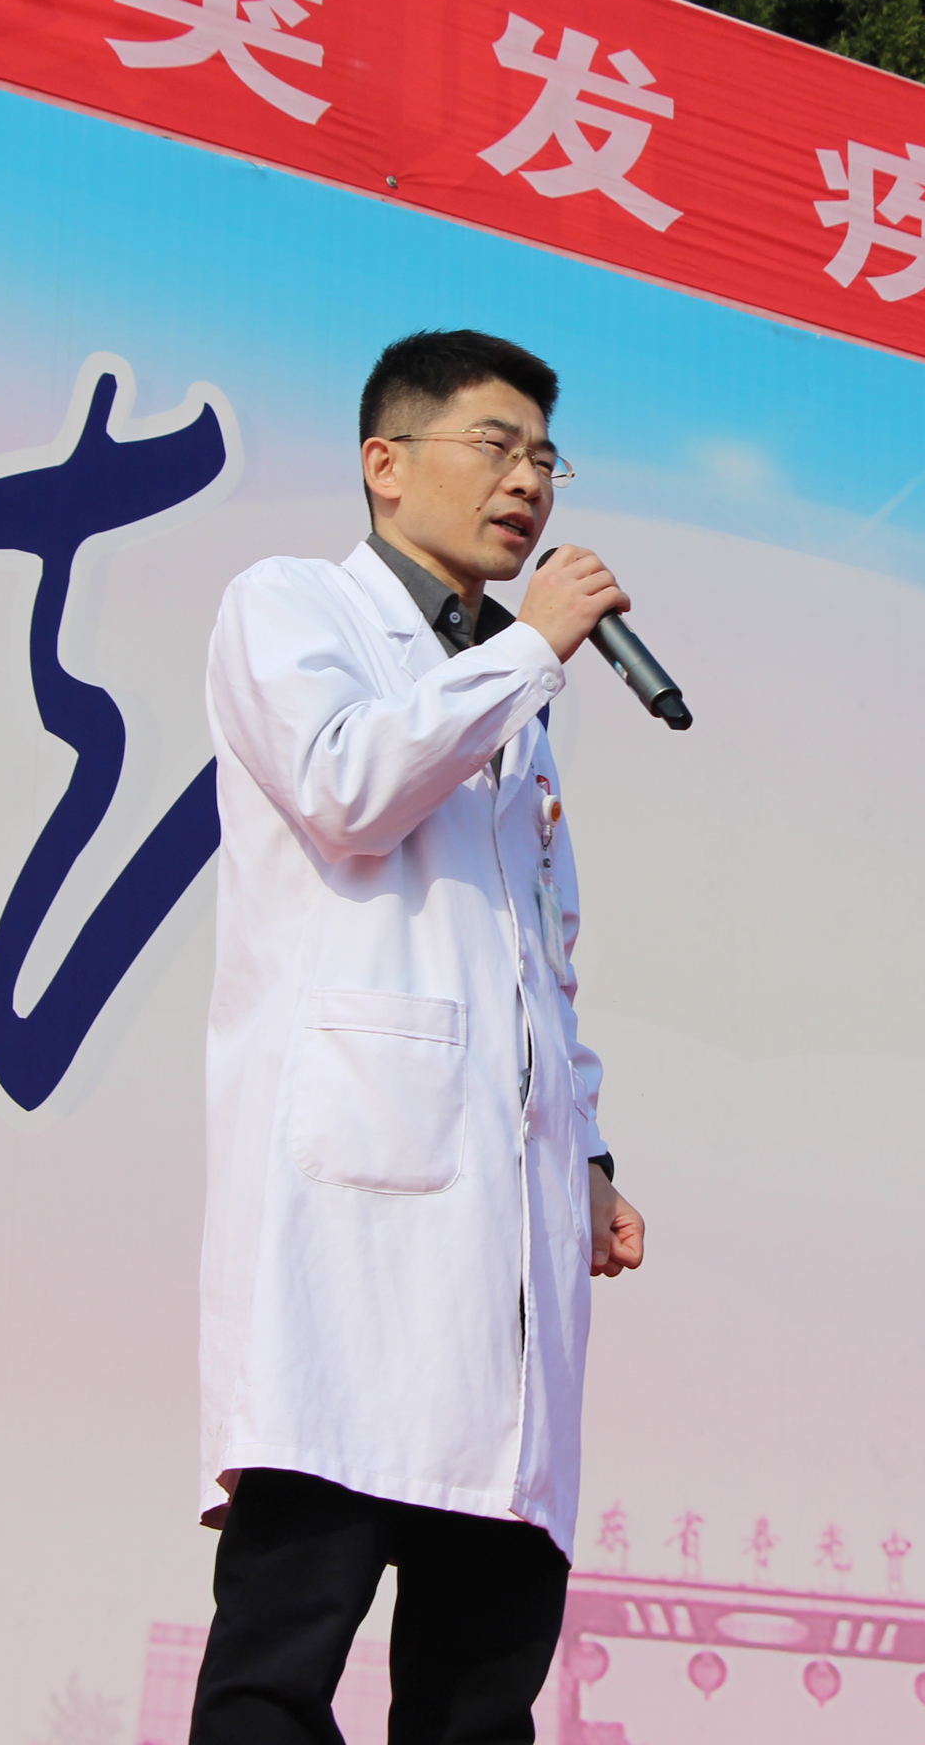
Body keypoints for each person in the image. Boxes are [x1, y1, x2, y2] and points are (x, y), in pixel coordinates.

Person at [190, 330, 648, 1745]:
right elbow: (344, 786)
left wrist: (586, 1151)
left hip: (505, 1259)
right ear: (385, 464)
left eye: (545, 458)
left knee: (478, 1702)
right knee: (279, 1671)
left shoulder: (510, 692)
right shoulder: (292, 607)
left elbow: (541, 956)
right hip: (350, 1228)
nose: (528, 484)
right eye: (495, 447)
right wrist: (529, 649)